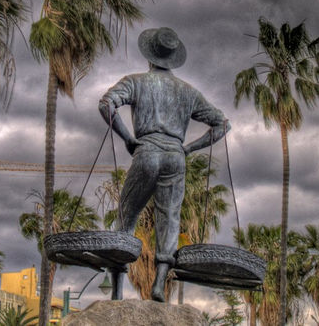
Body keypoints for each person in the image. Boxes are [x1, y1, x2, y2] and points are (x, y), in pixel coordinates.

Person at [98, 27, 230, 302]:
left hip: (146, 150)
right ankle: (159, 284)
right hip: (174, 156)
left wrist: (128, 138)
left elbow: (106, 104)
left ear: (149, 57)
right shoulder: (188, 92)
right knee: (168, 219)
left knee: (127, 217)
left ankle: (117, 291)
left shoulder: (135, 81)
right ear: (172, 57)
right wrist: (188, 149)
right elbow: (222, 124)